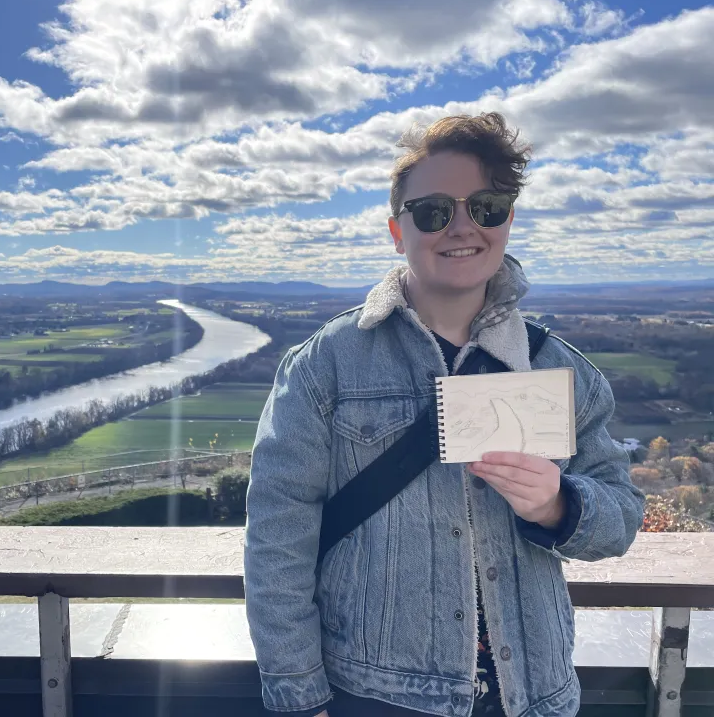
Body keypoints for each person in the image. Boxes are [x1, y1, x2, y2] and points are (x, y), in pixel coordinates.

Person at [243, 112, 645, 717]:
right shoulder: (325, 365)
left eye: (485, 206)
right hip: (376, 695)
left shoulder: (557, 370)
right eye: (433, 211)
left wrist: (561, 504)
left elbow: (621, 518)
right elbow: (278, 536)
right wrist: (299, 696)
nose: (462, 226)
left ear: (508, 220)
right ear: (396, 231)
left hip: (531, 696)